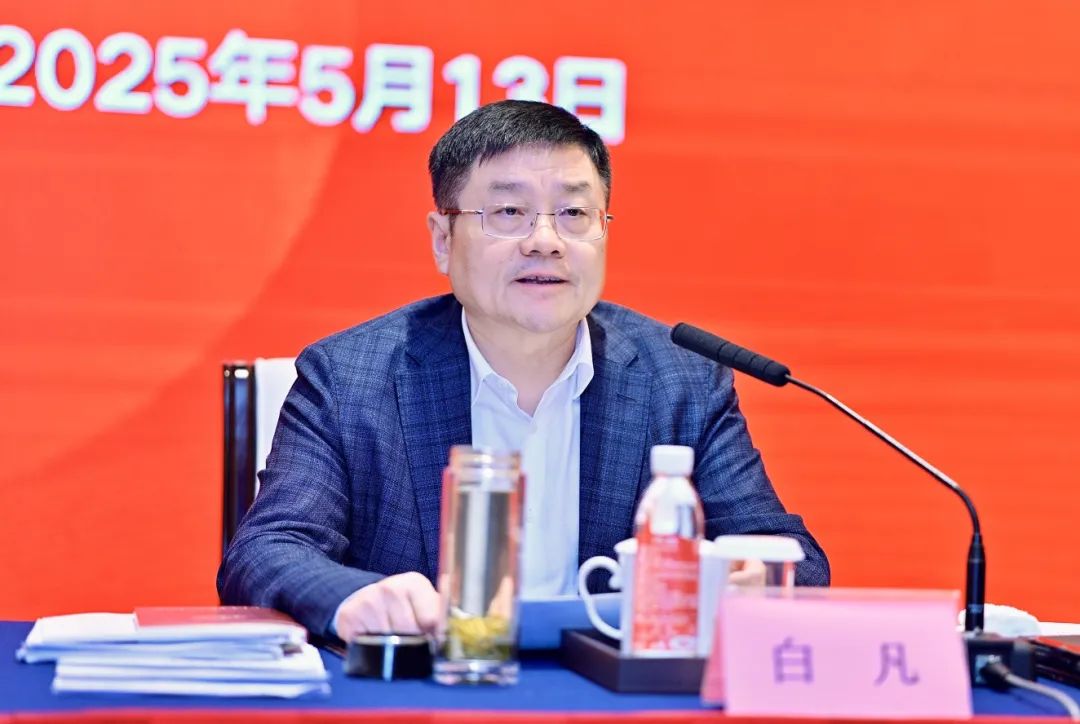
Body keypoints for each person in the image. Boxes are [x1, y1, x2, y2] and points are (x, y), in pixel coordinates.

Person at [218, 100, 829, 641]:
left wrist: (750, 578)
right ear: (442, 239)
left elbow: (793, 557)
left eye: (574, 214)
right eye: (509, 211)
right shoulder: (348, 377)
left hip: (615, 701)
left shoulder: (683, 381)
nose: (545, 241)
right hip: (430, 694)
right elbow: (268, 550)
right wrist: (354, 597)